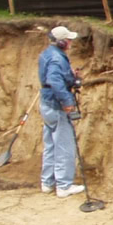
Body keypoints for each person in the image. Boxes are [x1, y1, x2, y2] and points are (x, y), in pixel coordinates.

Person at [38, 25, 85, 198]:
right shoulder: (57, 59)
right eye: (69, 39)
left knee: (50, 144)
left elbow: (52, 76)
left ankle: (47, 182)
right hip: (57, 106)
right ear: (61, 41)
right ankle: (64, 186)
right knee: (65, 146)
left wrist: (70, 75)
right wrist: (67, 101)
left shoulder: (47, 54)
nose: (71, 42)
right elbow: (54, 80)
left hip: (47, 103)